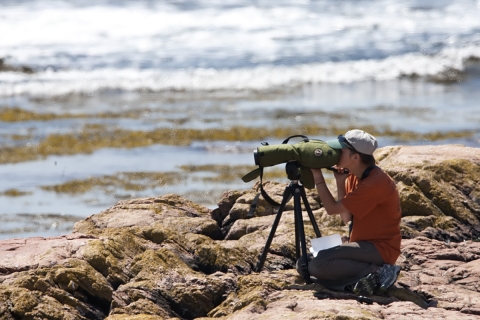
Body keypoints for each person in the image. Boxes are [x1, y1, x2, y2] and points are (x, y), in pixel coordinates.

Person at [298, 129, 402, 296]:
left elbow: (331, 209)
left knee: (317, 265)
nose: (336, 154)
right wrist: (340, 183)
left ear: (355, 157)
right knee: (303, 264)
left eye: (341, 151)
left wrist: (317, 175)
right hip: (362, 245)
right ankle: (360, 280)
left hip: (379, 249)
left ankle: (379, 272)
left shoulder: (374, 184)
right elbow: (346, 218)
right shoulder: (355, 176)